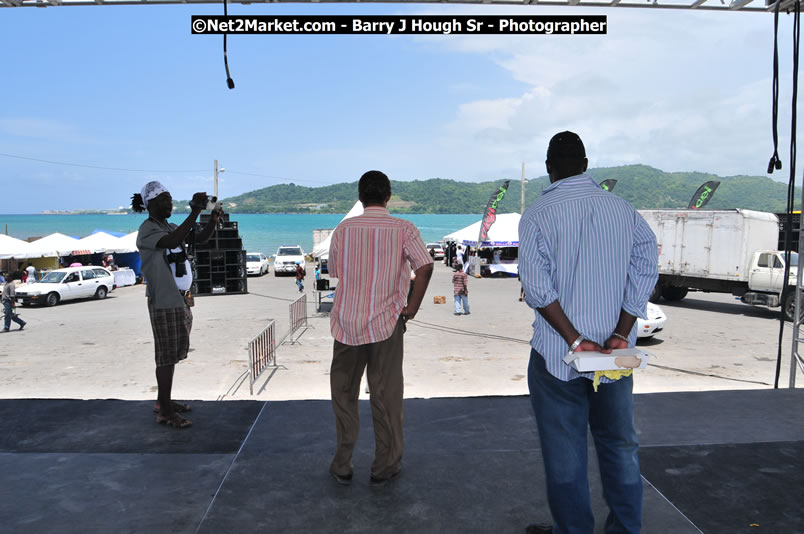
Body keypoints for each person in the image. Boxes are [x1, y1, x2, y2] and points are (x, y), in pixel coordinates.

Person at [518, 131, 658, 534]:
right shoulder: (623, 210)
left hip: (557, 357)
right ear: (585, 164)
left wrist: (576, 340)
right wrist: (621, 331)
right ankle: (626, 529)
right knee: (619, 445)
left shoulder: (539, 215)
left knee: (565, 453)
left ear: (550, 168)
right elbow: (646, 266)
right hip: (615, 356)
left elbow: (538, 289)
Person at [327, 170, 433, 487]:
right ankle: (384, 465)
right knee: (386, 395)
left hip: (346, 322)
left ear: (360, 197)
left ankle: (343, 463)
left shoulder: (344, 230)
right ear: (388, 197)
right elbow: (425, 265)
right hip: (387, 323)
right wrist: (411, 307)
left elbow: (335, 272)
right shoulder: (403, 228)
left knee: (344, 394)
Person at [132, 181, 222, 429]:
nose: (170, 203)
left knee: (172, 354)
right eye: (165, 199)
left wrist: (212, 221)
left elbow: (198, 238)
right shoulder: (148, 230)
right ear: (150, 203)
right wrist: (194, 211)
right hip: (164, 299)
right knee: (165, 356)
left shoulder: (169, 226)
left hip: (179, 299)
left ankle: (165, 402)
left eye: (171, 199)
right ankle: (165, 411)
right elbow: (172, 242)